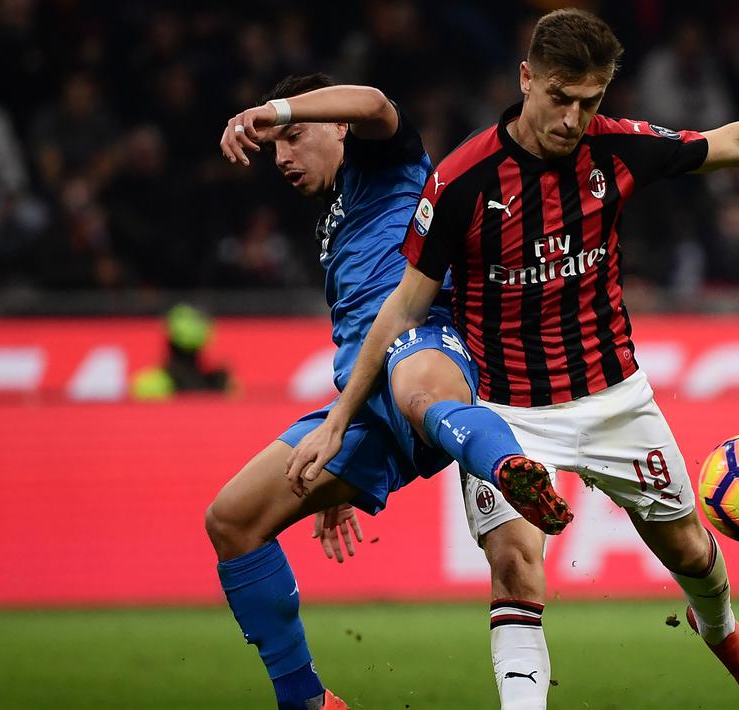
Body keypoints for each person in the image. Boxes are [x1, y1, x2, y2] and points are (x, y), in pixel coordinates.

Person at [288, 9, 739, 710]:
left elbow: (738, 143)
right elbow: (401, 310)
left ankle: (719, 629)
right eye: (559, 98)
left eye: (589, 102)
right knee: (514, 567)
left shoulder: (618, 150)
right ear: (526, 78)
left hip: (612, 397)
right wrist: (338, 421)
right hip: (504, 412)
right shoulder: (461, 182)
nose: (571, 118)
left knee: (689, 549)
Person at [205, 74, 571, 710]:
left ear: (337, 126)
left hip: (427, 345)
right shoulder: (334, 216)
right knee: (232, 521)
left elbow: (375, 103)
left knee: (421, 393)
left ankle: (508, 465)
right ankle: (308, 701)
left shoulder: (385, 163)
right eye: (276, 148)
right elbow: (356, 332)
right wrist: (338, 454)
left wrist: (271, 110)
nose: (283, 155)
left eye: (294, 138)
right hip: (365, 400)